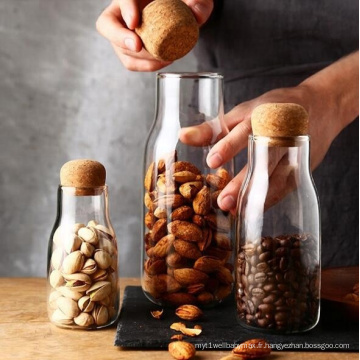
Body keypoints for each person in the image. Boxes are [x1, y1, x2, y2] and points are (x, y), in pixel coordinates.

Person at [96, 0, 359, 267]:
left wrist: (331, 100)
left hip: (344, 135)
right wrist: (153, 13)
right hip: (231, 119)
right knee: (243, 267)